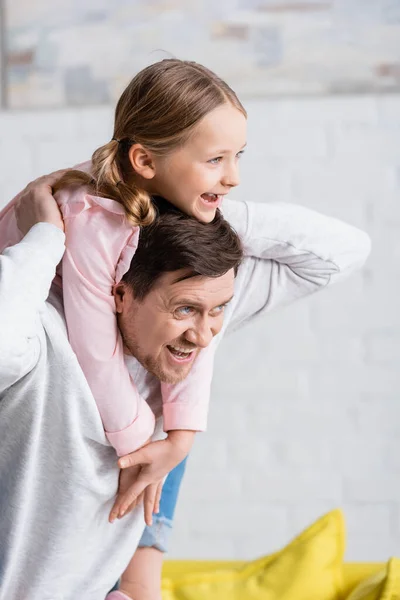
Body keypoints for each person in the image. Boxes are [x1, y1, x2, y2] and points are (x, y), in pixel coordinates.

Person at [0, 172, 370, 599]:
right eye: (185, 310)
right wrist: (45, 235)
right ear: (120, 295)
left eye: (219, 311)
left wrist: (194, 205)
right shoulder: (44, 333)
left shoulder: (203, 296)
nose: (205, 334)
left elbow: (345, 251)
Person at [0, 58, 248, 529]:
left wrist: (181, 437)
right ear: (145, 161)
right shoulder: (92, 218)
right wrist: (140, 442)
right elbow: (94, 348)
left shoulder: (184, 205)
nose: (233, 176)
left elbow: (204, 323)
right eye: (216, 159)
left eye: (238, 156)